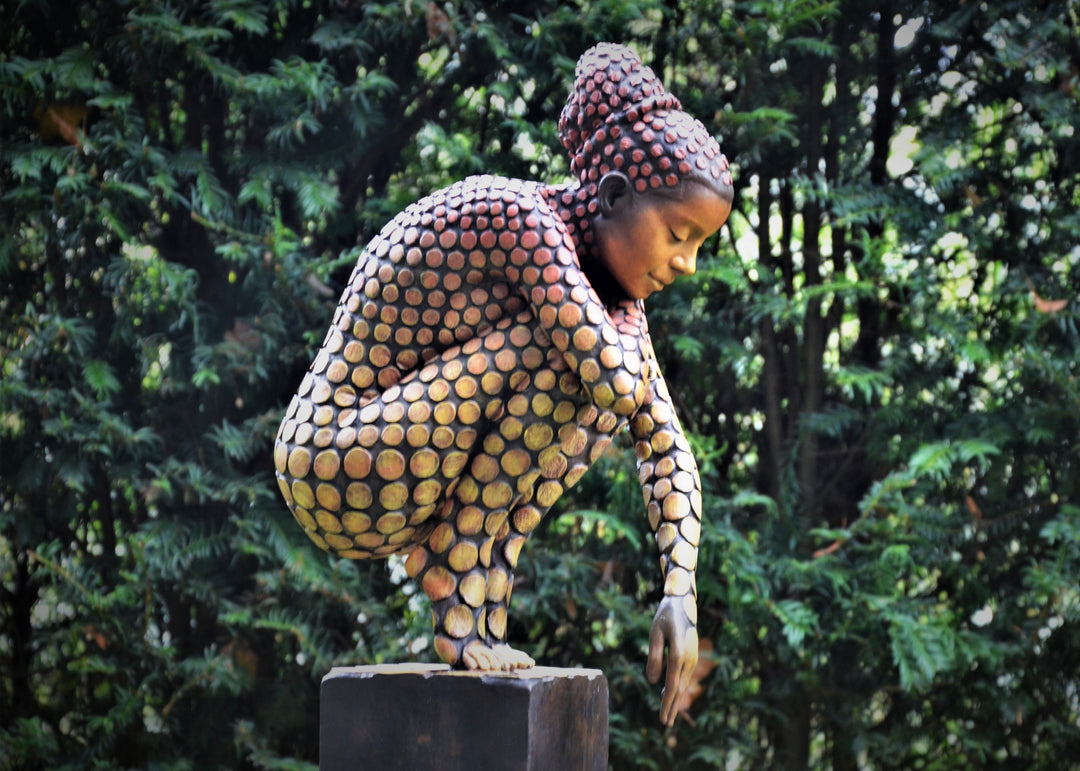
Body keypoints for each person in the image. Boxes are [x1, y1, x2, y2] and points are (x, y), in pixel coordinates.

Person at [273, 42, 733, 726]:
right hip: (337, 455)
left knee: (592, 372)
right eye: (678, 233)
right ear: (611, 194)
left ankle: (478, 609)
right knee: (578, 370)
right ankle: (460, 607)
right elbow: (611, 380)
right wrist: (628, 355)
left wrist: (679, 588)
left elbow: (665, 444)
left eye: (699, 244)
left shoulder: (609, 301)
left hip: (401, 454)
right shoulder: (519, 220)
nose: (688, 264)